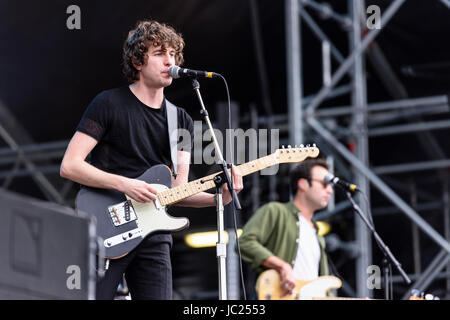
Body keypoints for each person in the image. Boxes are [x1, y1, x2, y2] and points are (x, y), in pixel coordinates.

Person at [60, 19, 243, 300]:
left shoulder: (180, 119)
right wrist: (125, 184)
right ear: (137, 62)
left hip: (155, 236)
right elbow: (70, 165)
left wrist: (221, 197)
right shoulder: (108, 103)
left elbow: (176, 193)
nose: (168, 60)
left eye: (172, 54)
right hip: (108, 224)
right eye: (159, 53)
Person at [238, 158, 334, 297]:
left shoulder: (317, 234)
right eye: (325, 184)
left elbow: (324, 293)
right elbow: (244, 242)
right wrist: (282, 266)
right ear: (303, 184)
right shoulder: (276, 211)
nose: (330, 190)